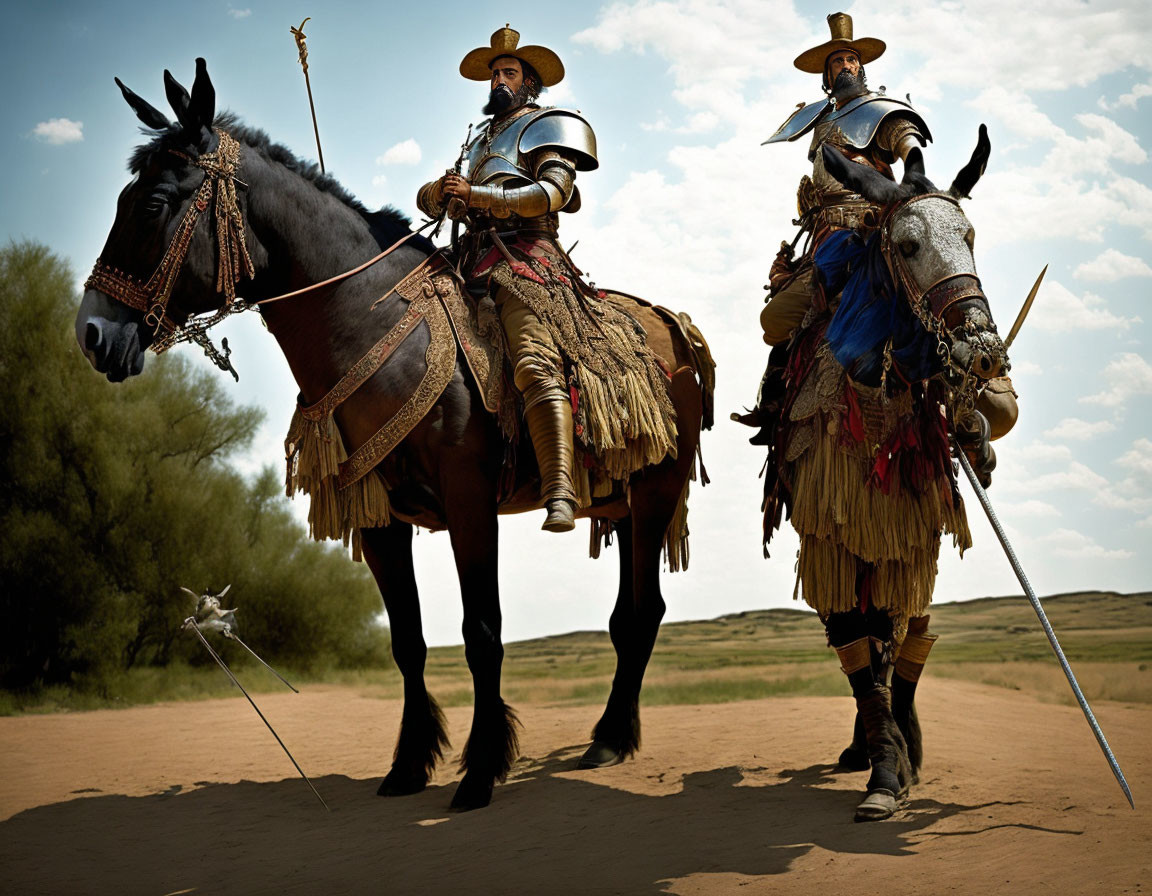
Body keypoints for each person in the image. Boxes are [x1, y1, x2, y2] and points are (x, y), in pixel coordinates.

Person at [751, 13, 1018, 822]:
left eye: (849, 57)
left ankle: (974, 411)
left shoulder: (886, 114)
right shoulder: (813, 126)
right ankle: (782, 429)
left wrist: (897, 185)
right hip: (829, 254)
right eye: (831, 59)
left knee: (944, 320)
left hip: (893, 226)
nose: (840, 67)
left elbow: (912, 155)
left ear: (863, 64)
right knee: (785, 334)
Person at [416, 25, 677, 532]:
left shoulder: (547, 125)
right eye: (494, 73)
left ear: (530, 83)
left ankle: (560, 487)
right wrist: (438, 193)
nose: (498, 80)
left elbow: (553, 193)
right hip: (468, 257)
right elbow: (445, 196)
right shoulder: (479, 139)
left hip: (527, 258)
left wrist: (481, 197)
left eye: (508, 72)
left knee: (533, 359)